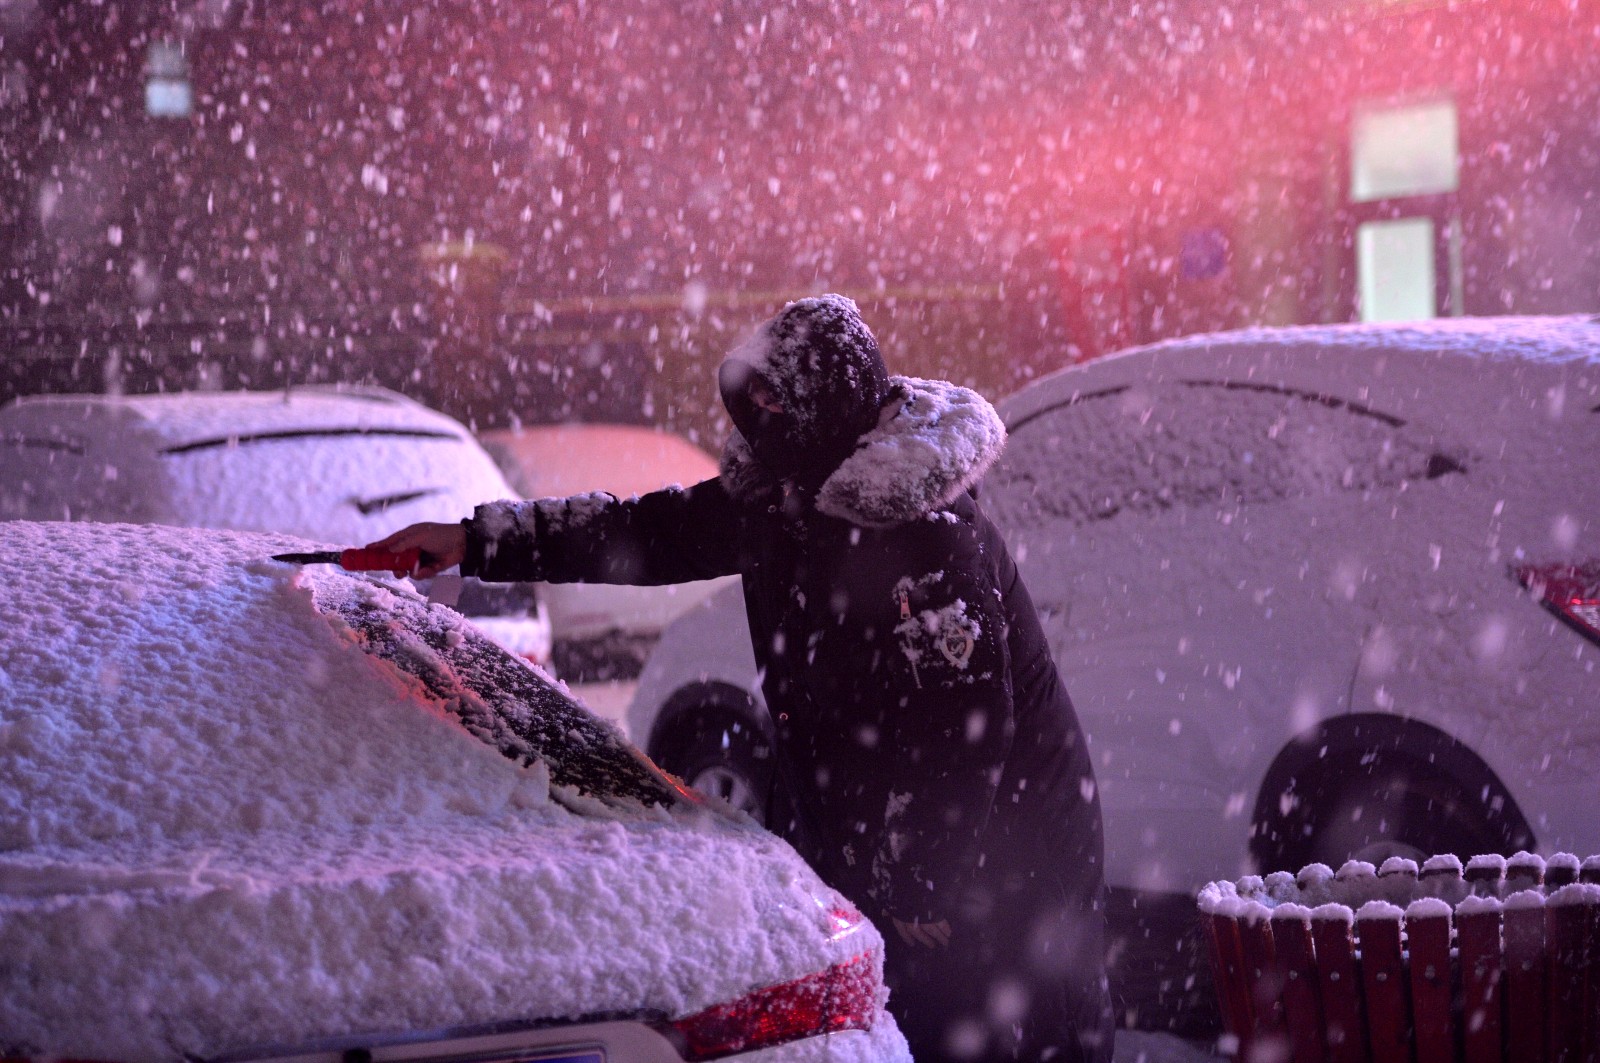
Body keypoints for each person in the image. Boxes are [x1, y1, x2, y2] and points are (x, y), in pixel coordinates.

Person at [370, 294, 1114, 1063]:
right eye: (750, 395)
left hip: (1000, 862)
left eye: (776, 396)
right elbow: (638, 533)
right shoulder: (784, 497)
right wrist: (473, 539)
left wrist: (923, 871)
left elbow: (963, 727)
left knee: (1010, 1038)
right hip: (903, 854)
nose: (759, 414)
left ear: (828, 402)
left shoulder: (925, 536)